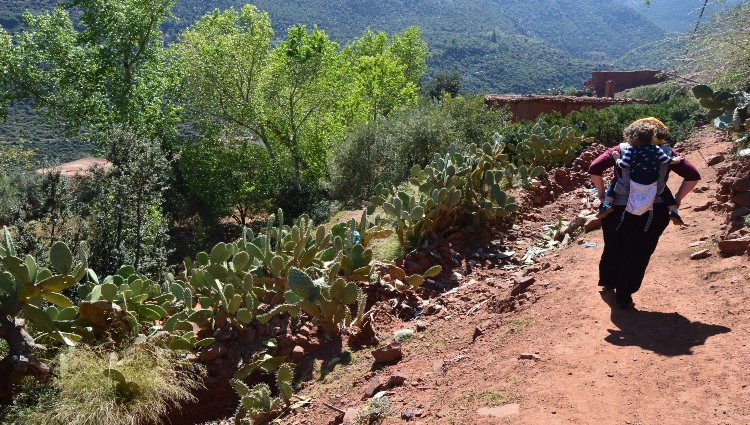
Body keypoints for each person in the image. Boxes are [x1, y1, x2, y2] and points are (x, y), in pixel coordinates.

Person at [588, 118, 700, 309]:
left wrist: (601, 192)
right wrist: (678, 198)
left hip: (617, 208)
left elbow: (594, 168)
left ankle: (608, 281)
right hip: (653, 209)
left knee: (614, 244)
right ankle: (624, 297)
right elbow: (693, 175)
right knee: (638, 251)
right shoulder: (666, 152)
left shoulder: (621, 149)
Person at [596, 121, 685, 226]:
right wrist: (676, 159)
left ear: (633, 137)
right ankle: (674, 211)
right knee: (663, 189)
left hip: (635, 179)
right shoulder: (655, 148)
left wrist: (616, 158)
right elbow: (666, 160)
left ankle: (607, 205)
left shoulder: (632, 149)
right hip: (652, 179)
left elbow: (623, 165)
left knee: (615, 183)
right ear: (652, 136)